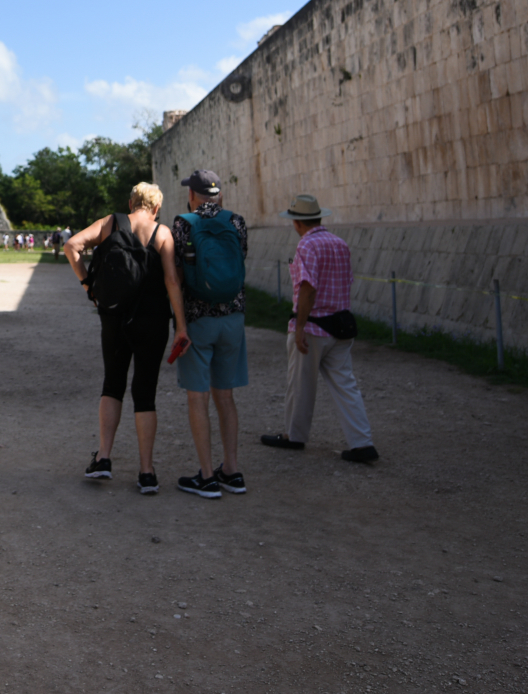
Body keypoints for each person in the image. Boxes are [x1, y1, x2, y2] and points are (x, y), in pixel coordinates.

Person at [66, 183, 189, 495]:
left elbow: (72, 246)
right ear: (156, 208)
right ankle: (146, 472)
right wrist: (181, 327)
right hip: (153, 320)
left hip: (114, 318)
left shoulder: (112, 223)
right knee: (145, 392)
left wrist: (88, 286)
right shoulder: (162, 233)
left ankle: (104, 457)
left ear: (131, 202)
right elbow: (172, 280)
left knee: (113, 384)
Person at [261, 193, 377, 463]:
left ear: (297, 222)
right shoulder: (340, 244)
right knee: (346, 386)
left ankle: (294, 435)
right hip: (341, 325)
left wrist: (299, 327)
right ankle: (362, 442)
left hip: (314, 328)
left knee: (300, 385)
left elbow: (307, 289)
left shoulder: (306, 246)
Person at [169, 170, 250, 499]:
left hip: (198, 318)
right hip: (233, 317)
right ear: (218, 195)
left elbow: (175, 274)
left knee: (197, 397)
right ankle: (231, 470)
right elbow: (240, 259)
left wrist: (180, 326)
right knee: (226, 396)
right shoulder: (237, 222)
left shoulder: (183, 223)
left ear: (193, 195)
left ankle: (206, 476)